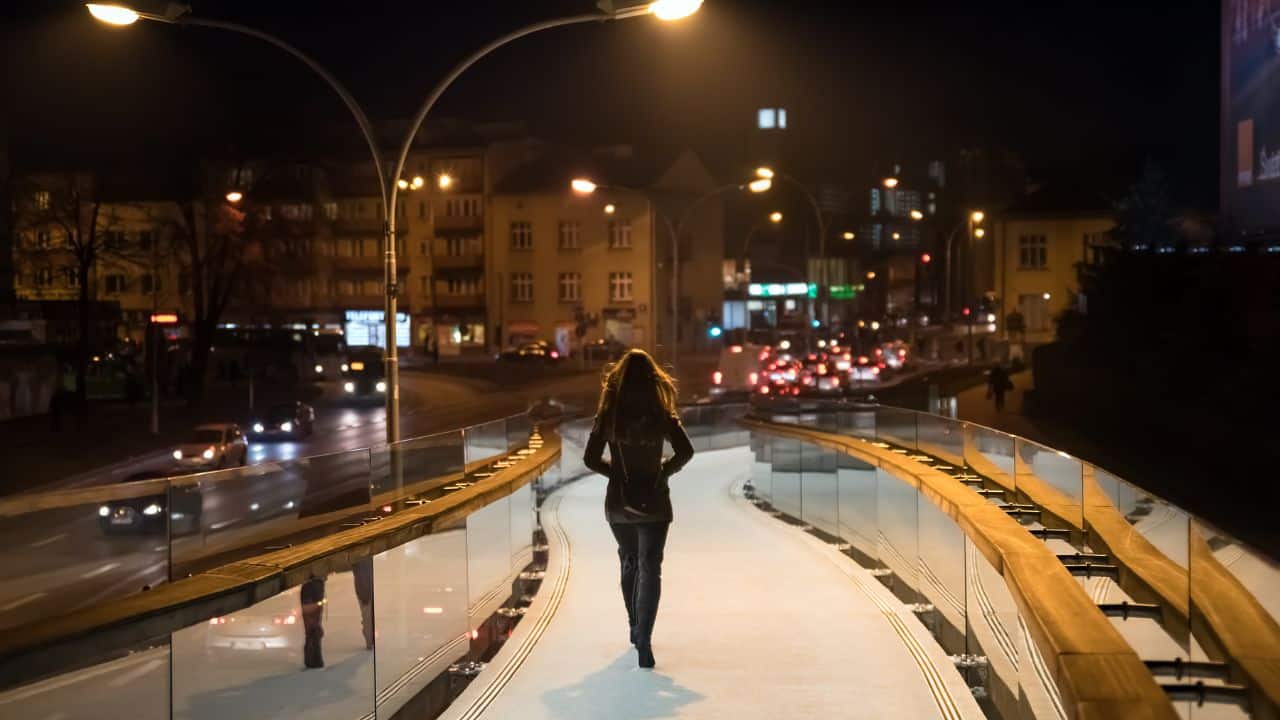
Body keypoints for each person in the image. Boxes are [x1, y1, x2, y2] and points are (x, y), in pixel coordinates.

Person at [583, 349, 694, 669]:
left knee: (629, 560)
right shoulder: (661, 413)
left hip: (620, 500)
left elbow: (591, 459)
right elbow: (686, 451)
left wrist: (616, 473)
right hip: (656, 500)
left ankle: (633, 626)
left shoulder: (609, 415)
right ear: (651, 381)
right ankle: (644, 639)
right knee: (650, 567)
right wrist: (662, 471)